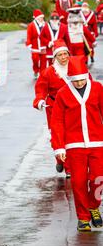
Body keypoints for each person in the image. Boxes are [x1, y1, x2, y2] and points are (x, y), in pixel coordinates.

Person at [51, 55, 103, 232]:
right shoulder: (62, 94)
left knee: (98, 178)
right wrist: (59, 147)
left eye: (82, 80)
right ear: (70, 79)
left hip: (97, 142)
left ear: (86, 76)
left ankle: (94, 206)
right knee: (78, 182)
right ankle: (83, 217)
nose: (79, 83)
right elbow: (56, 122)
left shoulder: (97, 88)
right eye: (76, 81)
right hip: (74, 145)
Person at [33, 40, 71, 176]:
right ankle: (61, 160)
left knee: (71, 136)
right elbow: (40, 89)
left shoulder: (76, 68)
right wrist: (40, 100)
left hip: (73, 108)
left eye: (65, 54)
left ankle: (69, 166)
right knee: (57, 135)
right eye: (59, 55)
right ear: (55, 57)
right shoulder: (48, 72)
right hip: (54, 108)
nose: (63, 57)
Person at [26, 9, 47, 78]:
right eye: (40, 17)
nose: (42, 19)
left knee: (43, 61)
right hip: (35, 46)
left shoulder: (45, 24)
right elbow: (29, 35)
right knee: (35, 60)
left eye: (42, 17)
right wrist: (29, 44)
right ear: (37, 18)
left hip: (43, 45)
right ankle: (36, 70)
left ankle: (42, 73)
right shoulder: (31, 25)